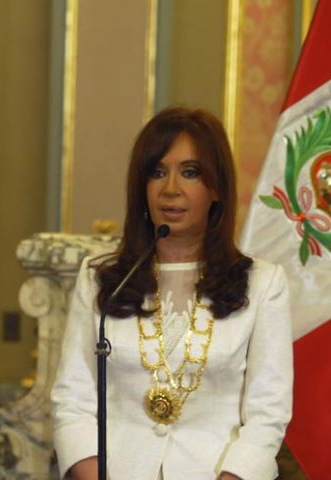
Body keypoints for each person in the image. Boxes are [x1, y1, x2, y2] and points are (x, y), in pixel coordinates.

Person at [51, 107, 293, 480]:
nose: (171, 189)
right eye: (157, 172)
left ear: (216, 188)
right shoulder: (100, 279)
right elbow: (73, 400)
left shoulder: (263, 284)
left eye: (190, 172)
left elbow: (268, 415)